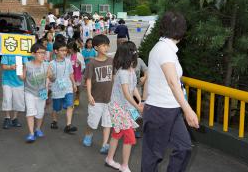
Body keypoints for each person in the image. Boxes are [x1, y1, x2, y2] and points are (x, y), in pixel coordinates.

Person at [141, 11, 199, 172]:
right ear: (181, 30)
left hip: (171, 109)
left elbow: (151, 77)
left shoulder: (165, 48)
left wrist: (143, 101)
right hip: (160, 110)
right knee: (153, 155)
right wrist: (188, 110)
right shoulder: (164, 50)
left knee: (184, 147)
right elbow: (173, 83)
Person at [105, 41, 144, 172]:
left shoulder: (131, 71)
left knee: (117, 133)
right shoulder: (123, 73)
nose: (136, 54)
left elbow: (133, 89)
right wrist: (138, 107)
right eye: (134, 52)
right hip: (118, 107)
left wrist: (140, 100)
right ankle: (124, 165)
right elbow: (127, 94)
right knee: (130, 136)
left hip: (124, 106)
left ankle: (109, 159)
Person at [83, 34, 113, 154]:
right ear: (96, 47)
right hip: (96, 99)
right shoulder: (92, 62)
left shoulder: (112, 61)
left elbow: (114, 78)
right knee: (93, 123)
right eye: (103, 45)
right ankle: (88, 134)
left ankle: (105, 144)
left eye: (107, 45)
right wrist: (89, 95)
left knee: (107, 123)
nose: (106, 48)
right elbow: (88, 80)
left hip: (109, 99)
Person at [19, 42, 52, 143]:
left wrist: (47, 89)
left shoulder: (47, 65)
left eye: (44, 53)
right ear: (33, 54)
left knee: (40, 113)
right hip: (29, 92)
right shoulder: (27, 64)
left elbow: (48, 78)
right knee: (30, 112)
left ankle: (37, 129)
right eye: (40, 53)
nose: (43, 55)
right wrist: (18, 68)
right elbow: (22, 78)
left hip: (41, 93)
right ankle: (31, 133)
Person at [49, 41, 78, 133]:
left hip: (68, 87)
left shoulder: (68, 61)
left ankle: (68, 125)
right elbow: (51, 79)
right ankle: (54, 120)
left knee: (70, 105)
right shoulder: (51, 64)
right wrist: (51, 77)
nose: (65, 52)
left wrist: (74, 83)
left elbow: (71, 73)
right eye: (62, 50)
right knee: (56, 108)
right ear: (56, 51)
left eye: (65, 50)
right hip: (56, 88)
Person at [1, 55, 28, 129]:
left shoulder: (23, 54)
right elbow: (3, 66)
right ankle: (7, 117)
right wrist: (10, 67)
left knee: (18, 100)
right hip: (7, 80)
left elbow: (26, 66)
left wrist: (23, 76)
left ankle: (15, 118)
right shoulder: (6, 52)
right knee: (7, 99)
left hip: (19, 81)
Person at [67, 41, 85, 107]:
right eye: (68, 48)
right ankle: (70, 99)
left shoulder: (79, 55)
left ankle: (77, 98)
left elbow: (83, 65)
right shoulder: (68, 56)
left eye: (70, 48)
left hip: (77, 74)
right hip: (70, 75)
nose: (69, 50)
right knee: (70, 87)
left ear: (73, 48)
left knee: (77, 87)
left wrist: (80, 63)